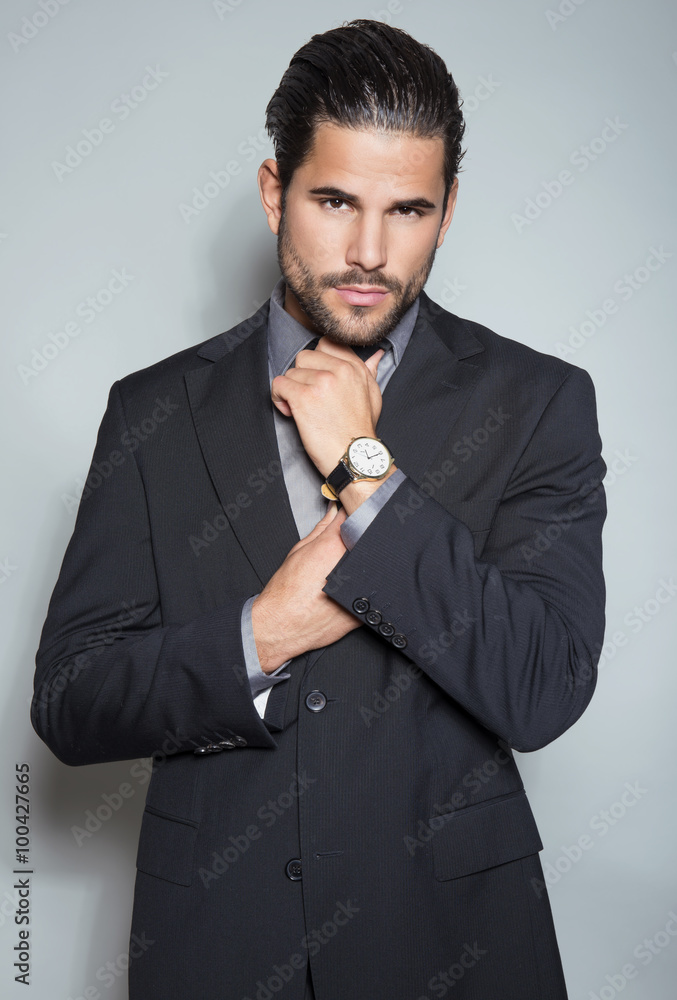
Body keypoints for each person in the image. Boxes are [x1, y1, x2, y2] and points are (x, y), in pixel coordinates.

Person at [32, 19, 606, 1000]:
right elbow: (72, 700)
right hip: (216, 944)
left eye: (407, 210)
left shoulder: (535, 401)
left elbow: (541, 686)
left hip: (451, 944)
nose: (369, 252)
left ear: (447, 210)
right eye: (334, 201)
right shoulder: (151, 411)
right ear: (274, 192)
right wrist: (260, 634)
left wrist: (363, 472)